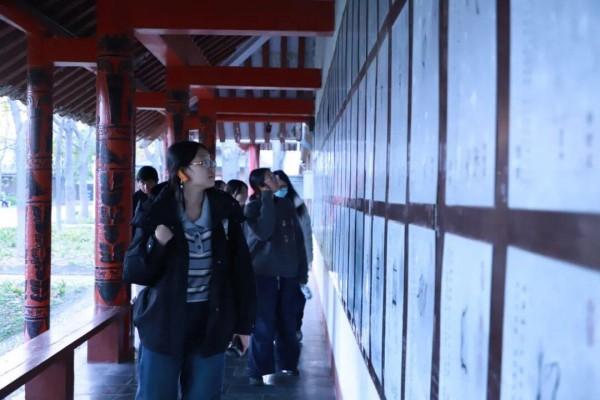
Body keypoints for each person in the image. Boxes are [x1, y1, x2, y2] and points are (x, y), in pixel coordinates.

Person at [123, 141, 256, 400]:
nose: (211, 167)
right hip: (163, 322)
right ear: (182, 172)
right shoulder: (156, 209)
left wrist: (244, 325)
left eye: (211, 162)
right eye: (203, 162)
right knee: (155, 395)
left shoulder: (225, 210)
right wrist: (158, 245)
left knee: (204, 395)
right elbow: (134, 272)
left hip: (211, 322)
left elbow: (242, 271)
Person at [244, 168, 308, 385]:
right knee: (263, 324)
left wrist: (302, 271)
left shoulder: (287, 205)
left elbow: (297, 238)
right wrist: (267, 199)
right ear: (261, 186)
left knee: (288, 321)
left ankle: (289, 364)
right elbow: (264, 231)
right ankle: (257, 371)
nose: (276, 179)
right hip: (263, 274)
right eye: (270, 178)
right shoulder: (253, 207)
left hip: (289, 273)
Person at [272, 170, 313, 342]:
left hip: (297, 262)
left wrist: (308, 260)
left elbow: (306, 234)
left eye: (283, 186)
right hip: (274, 264)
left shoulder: (298, 206)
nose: (281, 189)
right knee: (277, 300)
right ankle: (280, 331)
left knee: (296, 298)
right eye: (277, 186)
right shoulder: (269, 206)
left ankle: (295, 327)